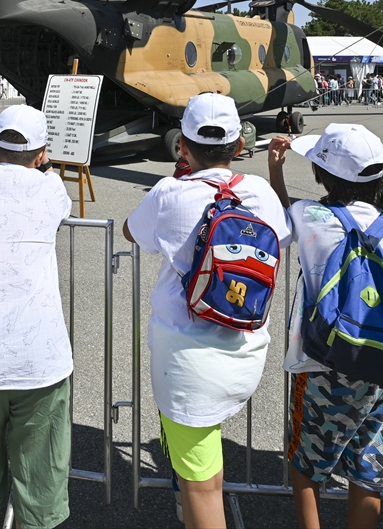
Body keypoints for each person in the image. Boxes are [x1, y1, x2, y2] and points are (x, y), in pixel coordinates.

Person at [123, 93, 290, 528]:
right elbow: (283, 237)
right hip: (246, 351)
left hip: (187, 363)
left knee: (201, 485)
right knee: (207, 462)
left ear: (182, 146)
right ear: (238, 146)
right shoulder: (259, 192)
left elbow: (131, 231)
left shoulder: (169, 193)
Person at [265, 124, 383, 529]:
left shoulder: (311, 215)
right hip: (382, 363)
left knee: (306, 461)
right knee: (369, 466)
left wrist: (276, 172)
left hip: (322, 359)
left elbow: (281, 226)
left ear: (324, 174)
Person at [0, 106, 73, 529]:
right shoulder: (52, 187)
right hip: (40, 354)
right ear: (41, 154)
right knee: (39, 477)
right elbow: (58, 208)